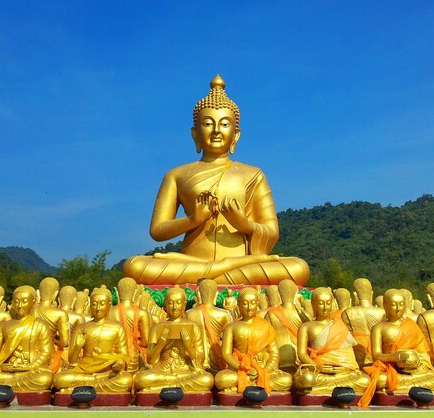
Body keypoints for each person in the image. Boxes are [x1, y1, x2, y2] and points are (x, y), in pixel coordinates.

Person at [123, 75, 309, 286]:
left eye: (224, 124)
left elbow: (271, 231)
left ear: (236, 135)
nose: (216, 130)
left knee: (297, 267)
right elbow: (157, 231)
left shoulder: (254, 175)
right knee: (135, 266)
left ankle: (208, 276)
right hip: (196, 261)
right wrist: (193, 219)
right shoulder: (176, 175)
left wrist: (244, 224)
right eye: (208, 123)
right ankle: (219, 274)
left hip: (239, 263)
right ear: (195, 134)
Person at [357, 289, 434, 408]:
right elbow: (376, 355)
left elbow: (423, 354)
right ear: (385, 305)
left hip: (415, 371)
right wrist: (395, 357)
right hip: (391, 370)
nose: (398, 308)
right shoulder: (378, 328)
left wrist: (416, 361)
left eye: (401, 304)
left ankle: (400, 386)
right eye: (394, 304)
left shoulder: (412, 325)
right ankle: (413, 388)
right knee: (379, 379)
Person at [0, 286, 53, 393]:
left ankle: (1, 386)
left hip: (30, 371)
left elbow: (46, 352)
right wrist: (2, 366)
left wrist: (31, 366)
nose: (20, 305)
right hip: (6, 370)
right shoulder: (4, 325)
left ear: (33, 302)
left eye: (24, 301)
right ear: (12, 303)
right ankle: (8, 384)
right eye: (16, 302)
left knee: (45, 378)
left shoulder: (40, 324)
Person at [134, 287, 214, 392]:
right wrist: (161, 343)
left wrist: (188, 345)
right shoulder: (157, 327)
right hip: (163, 371)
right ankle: (176, 386)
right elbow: (150, 360)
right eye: (170, 303)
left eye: (178, 303)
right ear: (166, 305)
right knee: (140, 379)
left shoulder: (193, 326)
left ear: (184, 304)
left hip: (186, 371)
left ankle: (160, 387)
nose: (174, 307)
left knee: (207, 379)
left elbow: (200, 359)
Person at [54, 286, 132, 393]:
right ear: (90, 305)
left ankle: (79, 388)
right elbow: (72, 359)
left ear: (109, 305)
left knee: (126, 379)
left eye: (102, 304)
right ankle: (94, 385)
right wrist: (77, 347)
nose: (98, 308)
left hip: (108, 371)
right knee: (59, 379)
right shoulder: (81, 327)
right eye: (94, 304)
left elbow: (123, 354)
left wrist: (120, 363)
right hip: (85, 370)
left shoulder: (117, 327)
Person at [215, 287, 292, 393]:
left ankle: (246, 384)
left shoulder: (266, 325)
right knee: (221, 379)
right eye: (245, 303)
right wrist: (243, 367)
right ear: (239, 304)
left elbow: (274, 354)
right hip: (239, 369)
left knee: (286, 380)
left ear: (257, 304)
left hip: (262, 368)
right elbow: (226, 354)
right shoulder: (231, 327)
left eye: (252, 303)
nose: (249, 307)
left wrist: (264, 370)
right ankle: (256, 384)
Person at [294, 288, 369, 394]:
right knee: (306, 379)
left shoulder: (339, 324)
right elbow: (301, 354)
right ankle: (339, 389)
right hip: (319, 371)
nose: (325, 307)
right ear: (313, 304)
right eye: (321, 303)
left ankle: (321, 390)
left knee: (364, 380)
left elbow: (348, 355)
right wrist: (318, 367)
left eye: (328, 303)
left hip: (343, 373)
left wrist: (346, 368)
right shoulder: (306, 327)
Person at [186, 279, 232, 374]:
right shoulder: (224, 315)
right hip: (218, 361)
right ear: (216, 295)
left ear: (198, 294)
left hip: (196, 361)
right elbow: (229, 343)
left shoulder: (189, 314)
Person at [109, 277, 151, 371]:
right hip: (134, 357)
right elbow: (145, 342)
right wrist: (132, 340)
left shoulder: (109, 312)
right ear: (135, 293)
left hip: (113, 356)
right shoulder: (142, 313)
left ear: (117, 293)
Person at [341, 278, 384, 367]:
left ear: (355, 294)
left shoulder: (347, 313)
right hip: (378, 352)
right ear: (372, 293)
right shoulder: (383, 313)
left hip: (356, 354)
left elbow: (344, 338)